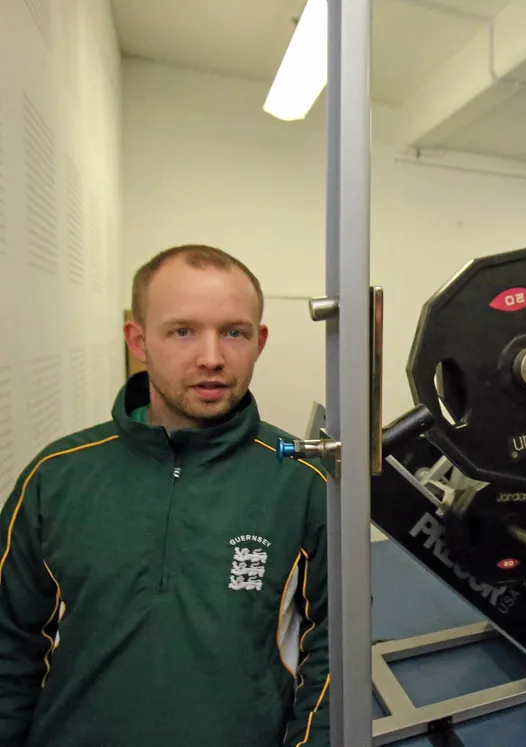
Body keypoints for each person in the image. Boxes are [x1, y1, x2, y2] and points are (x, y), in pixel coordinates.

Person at [0, 245, 330, 747]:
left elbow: (330, 648)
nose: (212, 358)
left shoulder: (302, 478)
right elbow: (10, 645)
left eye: (234, 333)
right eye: (183, 331)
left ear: (260, 341)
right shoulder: (56, 477)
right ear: (138, 340)